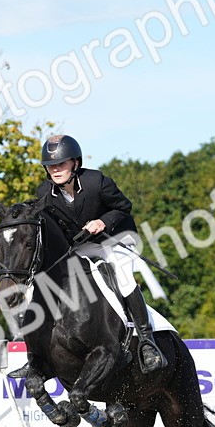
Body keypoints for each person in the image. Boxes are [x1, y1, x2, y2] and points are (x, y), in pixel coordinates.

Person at [35, 133, 165, 372]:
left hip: (115, 238)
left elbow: (124, 207)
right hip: (82, 245)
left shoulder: (97, 181)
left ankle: (147, 342)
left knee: (123, 278)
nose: (55, 170)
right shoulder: (44, 193)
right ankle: (38, 355)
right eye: (51, 166)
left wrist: (103, 222)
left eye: (61, 164)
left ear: (75, 163)